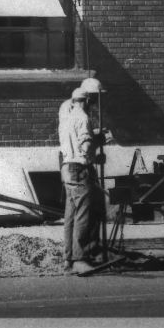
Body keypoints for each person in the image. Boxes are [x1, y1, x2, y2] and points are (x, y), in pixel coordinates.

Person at [58, 78, 106, 273]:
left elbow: (74, 137)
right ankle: (81, 258)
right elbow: (85, 147)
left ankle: (68, 258)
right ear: (87, 100)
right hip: (80, 168)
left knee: (71, 214)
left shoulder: (66, 113)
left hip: (66, 167)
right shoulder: (84, 118)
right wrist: (97, 143)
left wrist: (92, 136)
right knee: (84, 214)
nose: (94, 104)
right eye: (93, 100)